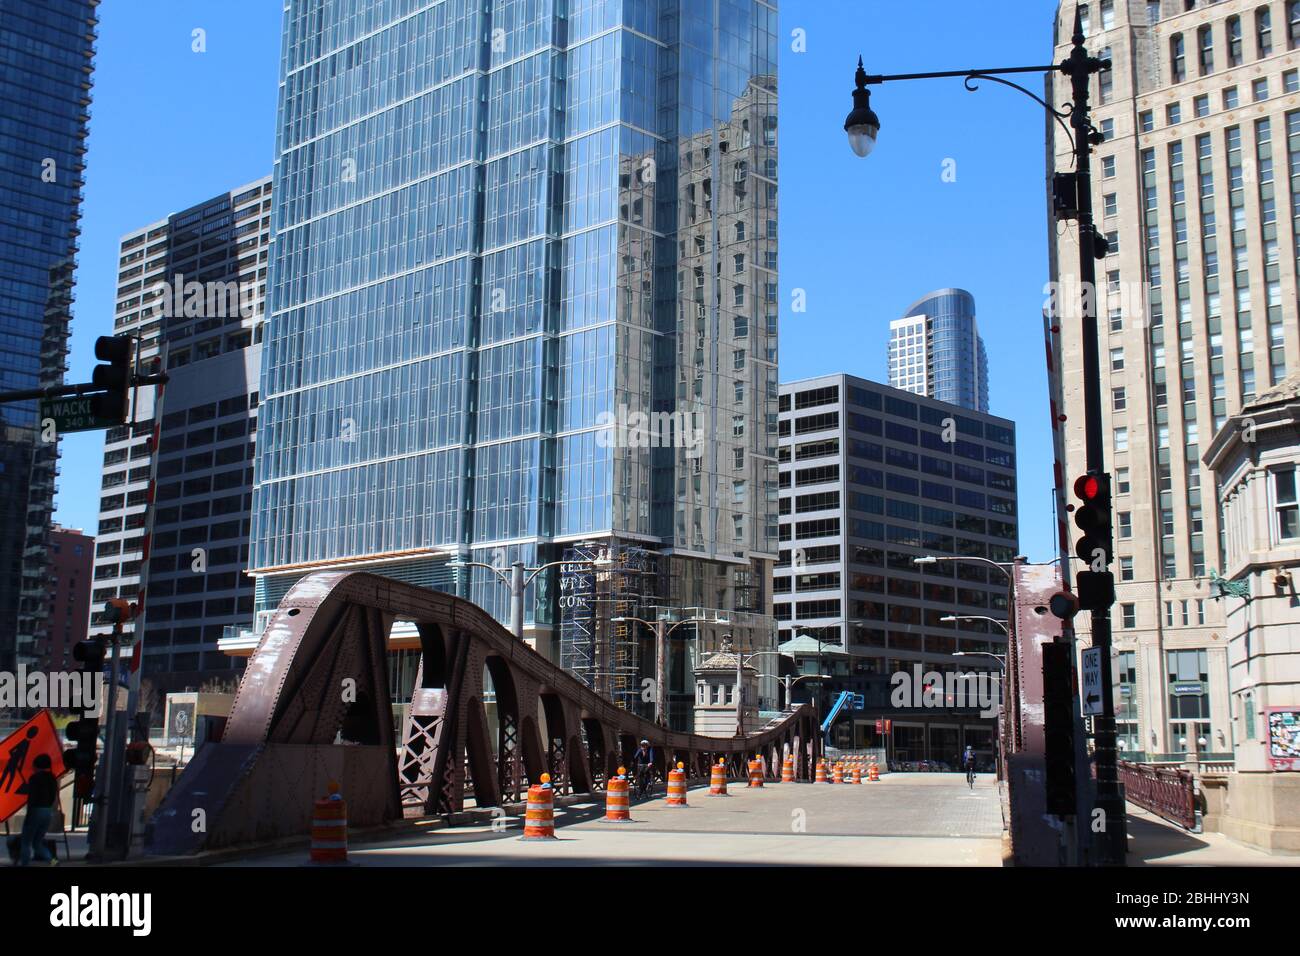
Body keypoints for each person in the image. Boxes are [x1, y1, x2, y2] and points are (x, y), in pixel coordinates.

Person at [18, 754, 57, 866]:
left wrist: (29, 815)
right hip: (47, 811)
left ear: (36, 766)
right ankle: (53, 861)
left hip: (36, 810)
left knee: (25, 842)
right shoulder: (52, 778)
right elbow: (52, 797)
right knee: (37, 843)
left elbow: (32, 798)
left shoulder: (35, 778)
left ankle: (24, 865)